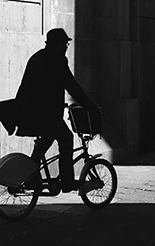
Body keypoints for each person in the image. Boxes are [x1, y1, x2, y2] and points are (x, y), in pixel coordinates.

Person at [15, 28, 99, 192]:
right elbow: (71, 84)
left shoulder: (38, 57)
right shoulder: (56, 60)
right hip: (45, 114)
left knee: (45, 141)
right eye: (65, 43)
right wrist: (88, 104)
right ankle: (67, 181)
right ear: (57, 44)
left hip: (32, 112)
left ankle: (32, 176)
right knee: (66, 138)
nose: (67, 47)